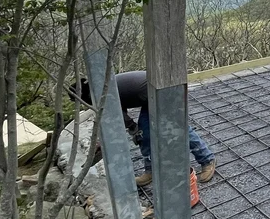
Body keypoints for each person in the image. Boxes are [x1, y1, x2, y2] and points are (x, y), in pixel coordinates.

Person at [80, 70, 216, 186]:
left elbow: (118, 117)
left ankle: (207, 159)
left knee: (178, 127)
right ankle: (151, 171)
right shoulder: (103, 87)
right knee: (144, 133)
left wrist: (132, 129)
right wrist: (103, 141)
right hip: (152, 95)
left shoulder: (101, 94)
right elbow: (118, 114)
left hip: (166, 90)